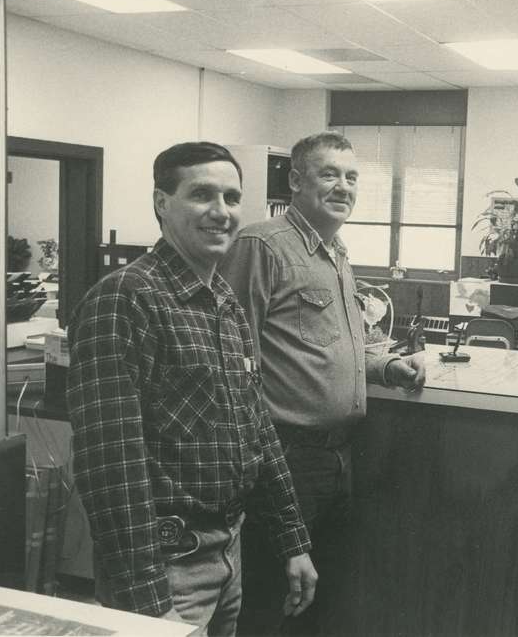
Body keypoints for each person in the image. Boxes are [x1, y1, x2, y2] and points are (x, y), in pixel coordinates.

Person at [66, 142, 317, 636]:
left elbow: (256, 430)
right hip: (165, 564)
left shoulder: (224, 301)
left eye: (231, 196)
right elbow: (109, 465)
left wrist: (293, 540)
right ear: (162, 203)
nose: (221, 212)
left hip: (228, 550)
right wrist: (148, 603)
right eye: (202, 195)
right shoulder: (125, 299)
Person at [219, 131, 426, 636]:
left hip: (337, 458)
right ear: (295, 181)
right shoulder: (262, 245)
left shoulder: (336, 252)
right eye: (329, 174)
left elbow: (339, 342)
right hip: (284, 457)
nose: (343, 186)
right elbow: (231, 360)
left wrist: (385, 368)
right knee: (270, 601)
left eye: (351, 177)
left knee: (318, 601)